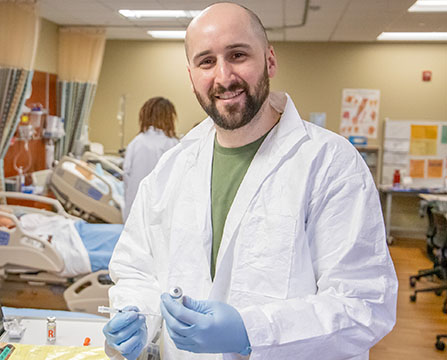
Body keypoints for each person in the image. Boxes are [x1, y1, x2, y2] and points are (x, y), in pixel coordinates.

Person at [103, 3, 398, 360]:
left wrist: (251, 331)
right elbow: (137, 269)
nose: (224, 77)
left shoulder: (330, 164)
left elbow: (363, 305)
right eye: (206, 62)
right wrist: (137, 314)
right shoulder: (172, 168)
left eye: (238, 55)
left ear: (269, 61)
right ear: (191, 74)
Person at [0, 207, 123, 277]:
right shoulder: (11, 239)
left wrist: (11, 217)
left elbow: (11, 214)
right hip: (70, 248)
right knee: (118, 257)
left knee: (120, 233)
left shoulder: (23, 221)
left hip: (74, 230)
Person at [122, 97, 179, 221]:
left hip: (135, 211)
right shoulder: (173, 144)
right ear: (170, 117)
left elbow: (126, 177)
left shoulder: (136, 143)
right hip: (162, 215)